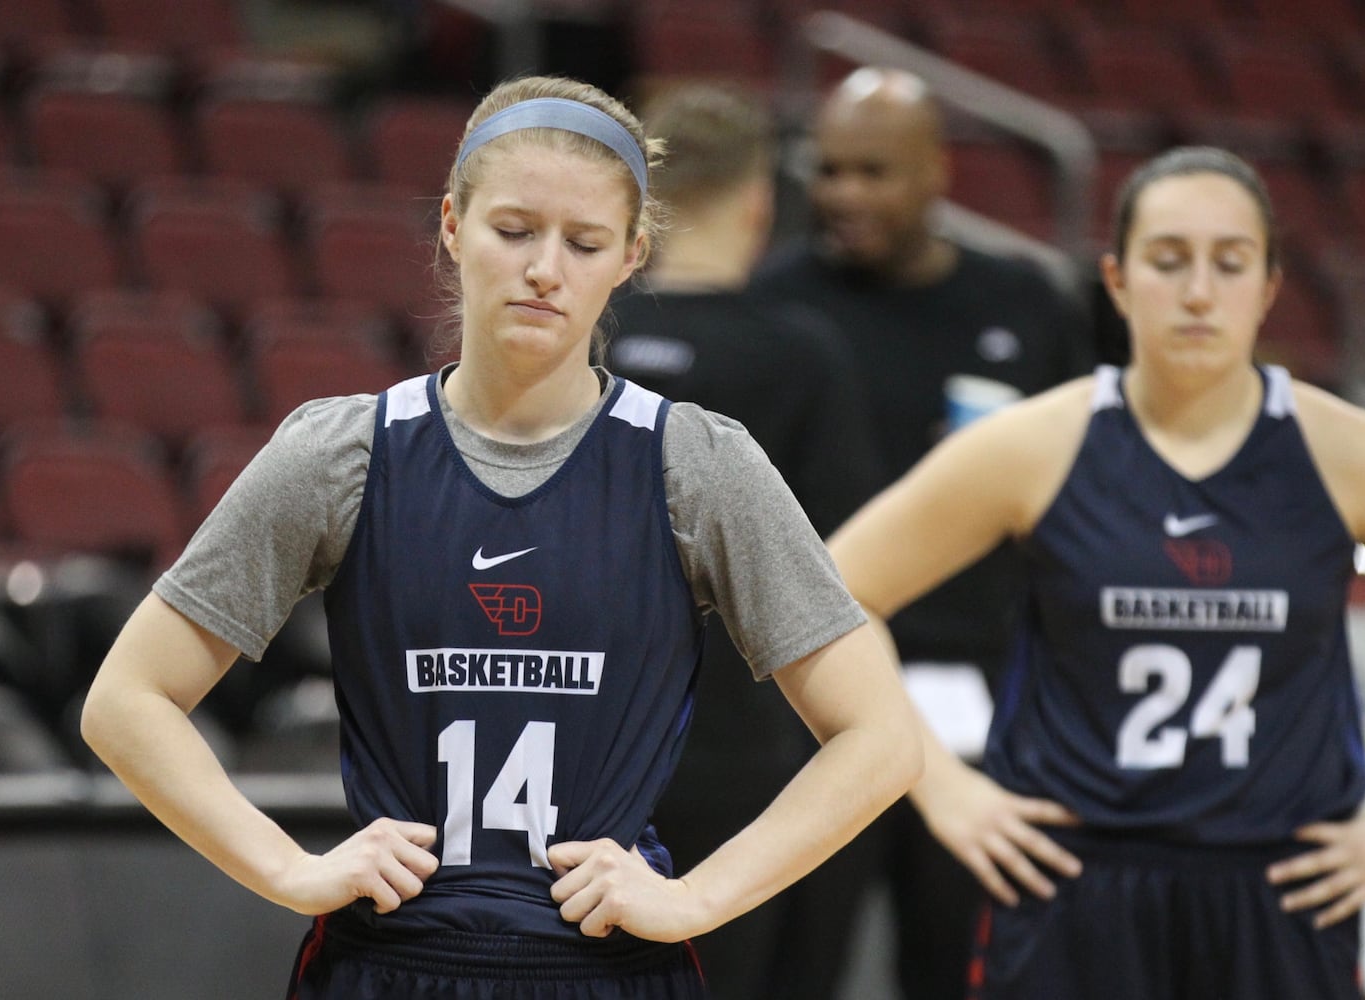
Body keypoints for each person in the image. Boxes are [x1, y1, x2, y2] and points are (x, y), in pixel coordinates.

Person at [79, 74, 922, 1000]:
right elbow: (127, 700)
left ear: (632, 255)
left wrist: (700, 898)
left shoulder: (696, 463)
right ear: (451, 224)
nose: (545, 269)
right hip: (390, 965)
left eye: (585, 242)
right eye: (513, 230)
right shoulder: (344, 451)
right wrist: (286, 869)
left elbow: (879, 737)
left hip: (608, 967)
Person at [826, 146, 1365, 998]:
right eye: (1168, 261)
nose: (1199, 291)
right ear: (1119, 281)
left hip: (1279, 887)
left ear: (1271, 285)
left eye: (1230, 263)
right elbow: (837, 596)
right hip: (1074, 882)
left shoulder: (1355, 455)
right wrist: (942, 787)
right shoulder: (1038, 445)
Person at [752, 66, 1092, 1000]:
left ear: (937, 173)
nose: (844, 195)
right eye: (830, 171)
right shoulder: (777, 302)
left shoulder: (1025, 307)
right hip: (809, 690)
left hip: (978, 690)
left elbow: (1083, 487)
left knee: (959, 966)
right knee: (798, 966)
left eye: (874, 171)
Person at [605, 84, 887, 1000]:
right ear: (763, 203)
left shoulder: (580, 336)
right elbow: (849, 561)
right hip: (749, 742)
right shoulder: (802, 352)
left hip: (583, 736)